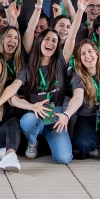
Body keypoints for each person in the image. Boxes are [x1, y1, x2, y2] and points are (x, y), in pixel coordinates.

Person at [16, 28, 71, 164]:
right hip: (36, 113)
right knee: (27, 121)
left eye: (54, 40)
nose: (50, 42)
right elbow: (13, 88)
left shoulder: (60, 63)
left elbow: (72, 37)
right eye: (47, 39)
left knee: (63, 158)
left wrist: (79, 14)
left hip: (56, 115)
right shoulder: (28, 68)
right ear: (39, 41)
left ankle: (50, 140)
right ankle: (32, 141)